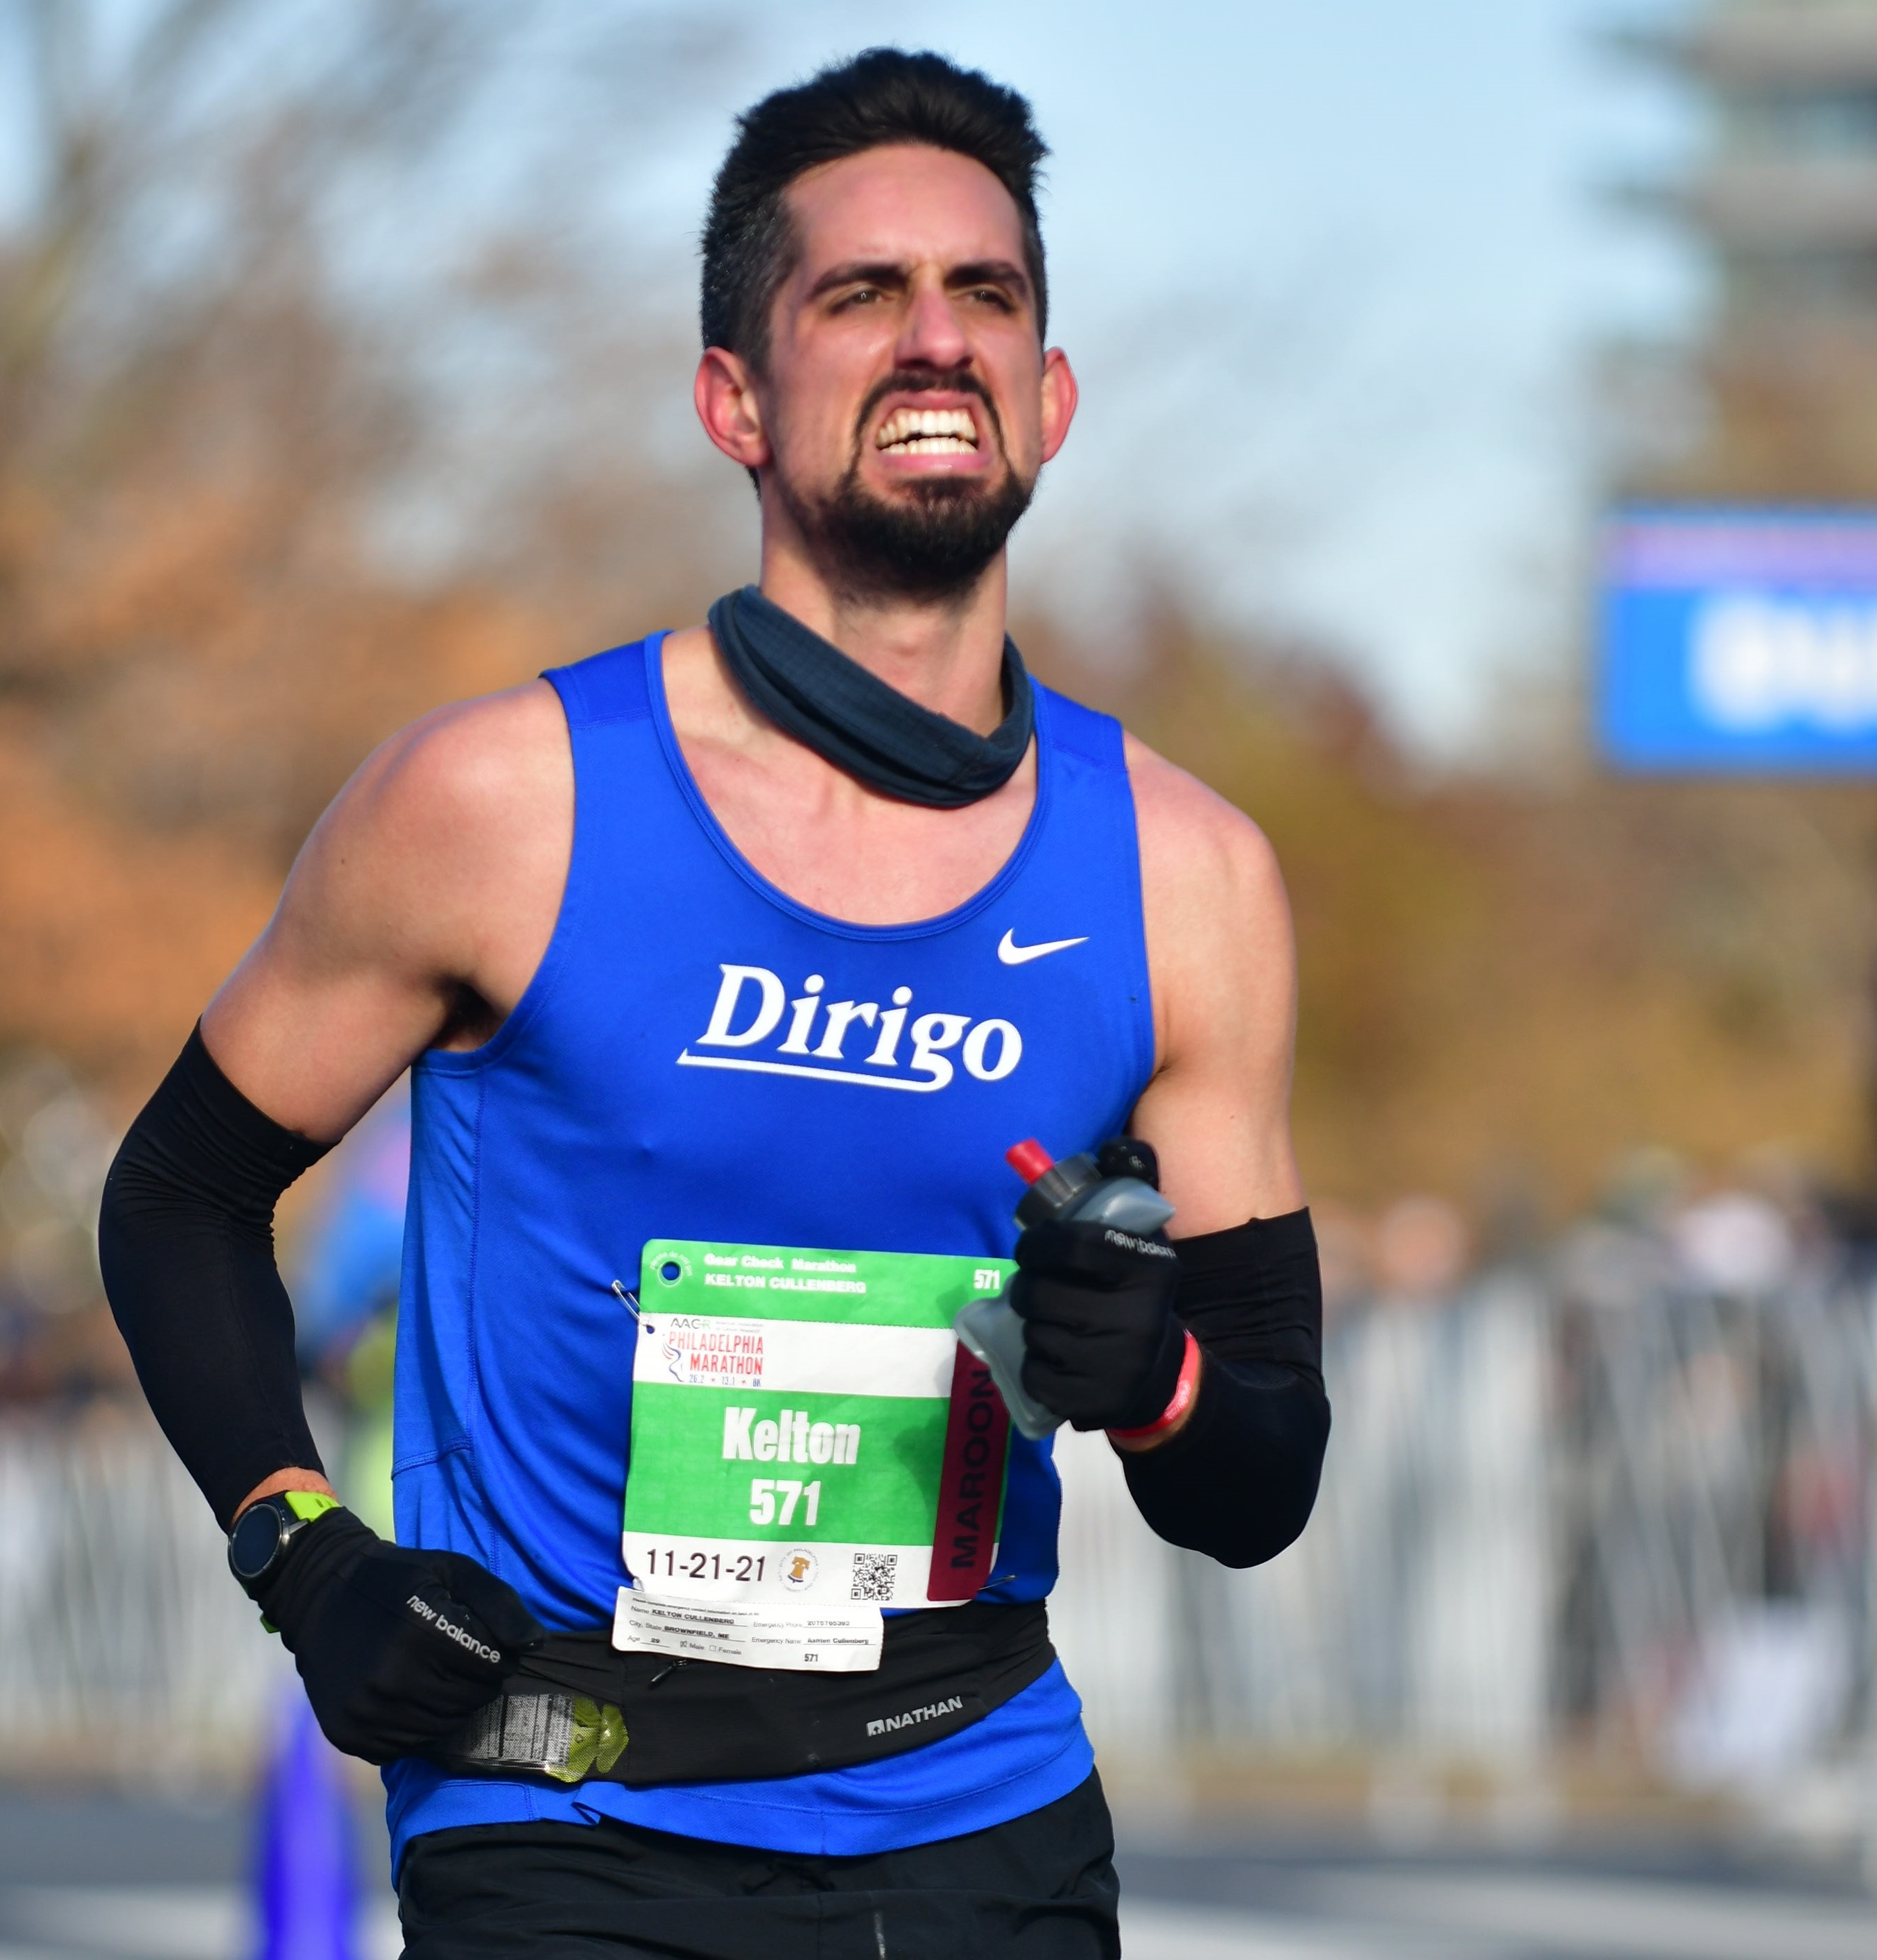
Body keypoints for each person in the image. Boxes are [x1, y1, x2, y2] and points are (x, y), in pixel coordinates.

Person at [98, 47, 1329, 1960]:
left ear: (1050, 394)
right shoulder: (499, 804)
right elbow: (173, 1193)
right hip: (570, 1820)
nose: (935, 340)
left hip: (984, 1813)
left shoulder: (1188, 876)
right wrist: (302, 1552)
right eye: (862, 296)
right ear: (733, 400)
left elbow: (1261, 1472)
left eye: (984, 296)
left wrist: (1153, 1377)